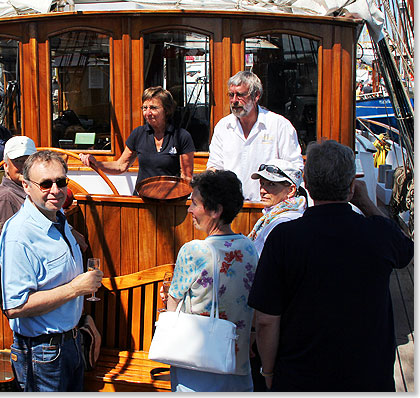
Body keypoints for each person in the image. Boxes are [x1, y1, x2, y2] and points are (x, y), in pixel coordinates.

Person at [248, 140, 413, 391]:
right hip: (368, 377)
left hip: (300, 377)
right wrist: (366, 203)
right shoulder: (379, 235)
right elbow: (404, 252)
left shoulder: (284, 238)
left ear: (308, 186)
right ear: (350, 187)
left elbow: (266, 320)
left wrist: (268, 371)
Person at [0, 150, 103, 392]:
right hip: (43, 355)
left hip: (71, 343)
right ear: (26, 186)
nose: (55, 190)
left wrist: (83, 319)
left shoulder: (58, 216)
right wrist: (76, 289)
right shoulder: (19, 235)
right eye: (45, 184)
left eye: (61, 181)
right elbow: (15, 306)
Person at [166, 170, 259, 392]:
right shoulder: (249, 247)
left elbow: (172, 303)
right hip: (237, 361)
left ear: (216, 210)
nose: (189, 209)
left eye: (195, 203)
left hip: (198, 361)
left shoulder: (194, 250)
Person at [206, 71, 303, 201]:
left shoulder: (279, 125)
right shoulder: (223, 127)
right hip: (232, 207)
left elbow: (294, 169)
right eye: (231, 95)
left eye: (240, 95)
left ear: (256, 95)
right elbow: (215, 167)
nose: (234, 101)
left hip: (270, 208)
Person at [79, 86, 195, 190]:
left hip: (169, 202)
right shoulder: (138, 134)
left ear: (166, 110)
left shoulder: (182, 136)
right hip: (142, 199)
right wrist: (96, 163)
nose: (147, 113)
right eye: (144, 108)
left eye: (153, 108)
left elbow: (186, 177)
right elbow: (120, 166)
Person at [0, 136, 37, 271]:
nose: (24, 166)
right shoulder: (4, 198)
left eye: (29, 161)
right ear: (6, 166)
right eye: (19, 161)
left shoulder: (34, 191)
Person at [248, 158, 307, 256]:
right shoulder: (273, 217)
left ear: (291, 190)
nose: (263, 190)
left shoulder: (285, 221)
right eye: (262, 183)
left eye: (272, 184)